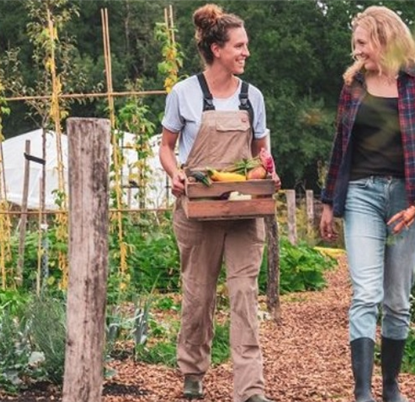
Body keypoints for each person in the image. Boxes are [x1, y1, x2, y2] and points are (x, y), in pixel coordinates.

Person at [319, 6, 415, 402]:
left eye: (363, 43)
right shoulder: (354, 84)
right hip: (362, 193)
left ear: (385, 38)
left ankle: (391, 387)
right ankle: (363, 392)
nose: (357, 51)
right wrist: (329, 202)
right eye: (355, 44)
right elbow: (341, 145)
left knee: (396, 300)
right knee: (365, 293)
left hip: (409, 198)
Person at [159, 4, 278, 402]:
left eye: (246, 45)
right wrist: (174, 174)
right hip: (198, 208)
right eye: (239, 46)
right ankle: (193, 373)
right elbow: (167, 147)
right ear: (216, 49)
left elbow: (262, 153)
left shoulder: (252, 97)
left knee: (244, 296)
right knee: (198, 296)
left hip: (244, 210)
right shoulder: (184, 93)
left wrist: (269, 172)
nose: (246, 52)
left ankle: (251, 389)